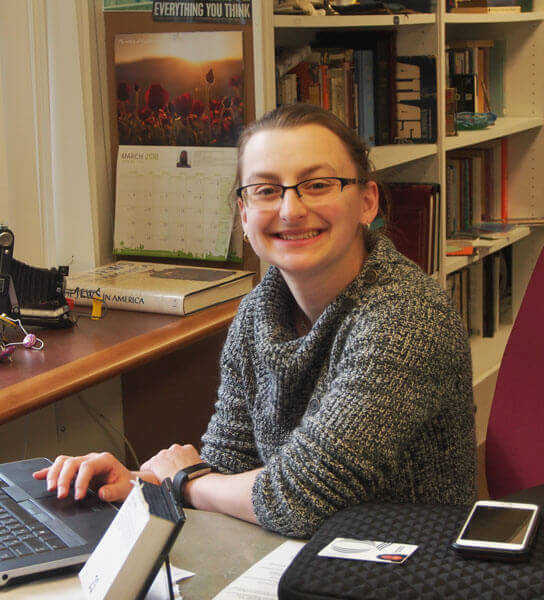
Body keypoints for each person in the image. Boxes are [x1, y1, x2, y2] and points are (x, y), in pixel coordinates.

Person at [34, 104, 477, 538]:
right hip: (300, 561)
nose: (291, 209)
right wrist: (138, 484)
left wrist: (183, 481)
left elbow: (301, 498)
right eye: (266, 190)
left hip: (407, 569)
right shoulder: (256, 313)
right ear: (244, 215)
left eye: (318, 184)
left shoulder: (409, 317)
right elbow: (227, 470)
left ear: (366, 201)